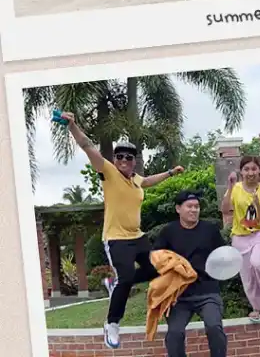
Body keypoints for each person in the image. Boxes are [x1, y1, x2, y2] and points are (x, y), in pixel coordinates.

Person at [60, 114, 183, 350]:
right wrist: (73, 126)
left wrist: (170, 173)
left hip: (137, 237)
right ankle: (112, 323)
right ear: (114, 159)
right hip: (116, 239)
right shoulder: (108, 171)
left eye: (129, 157)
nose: (124, 160)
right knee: (126, 279)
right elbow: (87, 146)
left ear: (134, 160)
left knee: (154, 270)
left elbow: (148, 181)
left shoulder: (136, 179)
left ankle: (114, 283)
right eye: (120, 156)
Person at [153, 191, 228, 357]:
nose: (194, 210)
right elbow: (156, 258)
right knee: (174, 334)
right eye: (189, 206)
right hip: (179, 295)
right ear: (178, 209)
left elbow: (223, 255)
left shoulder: (210, 230)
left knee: (214, 326)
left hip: (207, 291)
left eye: (197, 206)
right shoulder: (168, 232)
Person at [220, 156, 260, 322]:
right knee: (247, 276)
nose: (250, 173)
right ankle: (256, 308)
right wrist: (230, 186)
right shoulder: (236, 187)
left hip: (259, 234)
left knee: (257, 263)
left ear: (258, 171)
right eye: (246, 169)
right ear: (241, 171)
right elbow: (225, 209)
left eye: (253, 169)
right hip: (239, 237)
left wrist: (257, 203)